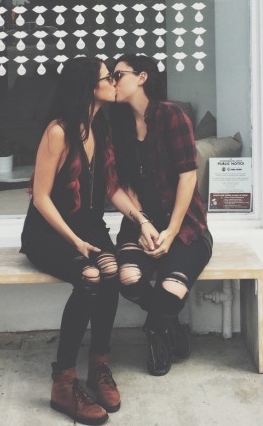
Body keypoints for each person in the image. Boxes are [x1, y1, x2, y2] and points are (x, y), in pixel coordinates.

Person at [20, 56, 157, 425]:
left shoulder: (100, 127)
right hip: (49, 232)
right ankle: (63, 383)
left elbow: (111, 188)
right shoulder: (59, 132)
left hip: (88, 226)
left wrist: (141, 220)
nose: (114, 82)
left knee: (110, 271)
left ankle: (99, 366)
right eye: (108, 77)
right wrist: (74, 240)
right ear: (88, 87)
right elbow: (41, 197)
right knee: (90, 277)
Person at [110, 54, 213, 377]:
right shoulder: (117, 123)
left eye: (118, 75)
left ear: (142, 77)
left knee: (172, 289)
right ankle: (172, 324)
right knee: (128, 279)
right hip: (139, 224)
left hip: (185, 227)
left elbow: (187, 176)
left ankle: (155, 331)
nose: (113, 81)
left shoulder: (171, 116)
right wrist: (142, 222)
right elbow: (120, 185)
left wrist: (170, 231)